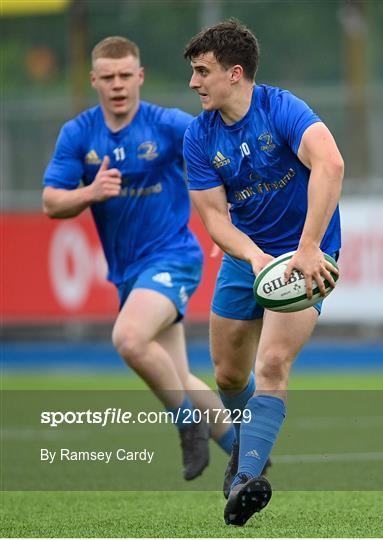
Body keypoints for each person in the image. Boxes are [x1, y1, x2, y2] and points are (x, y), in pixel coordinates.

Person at [42, 36, 236, 482]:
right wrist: (90, 193)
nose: (118, 85)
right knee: (179, 377)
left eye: (126, 75)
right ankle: (248, 456)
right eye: (108, 77)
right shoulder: (78, 134)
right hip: (129, 273)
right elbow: (52, 202)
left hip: (174, 256)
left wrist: (224, 222)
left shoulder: (167, 124)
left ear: (140, 77)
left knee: (129, 339)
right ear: (94, 81)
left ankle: (187, 424)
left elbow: (216, 158)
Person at [183, 19, 343, 525]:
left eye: (202, 71)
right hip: (246, 255)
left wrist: (309, 246)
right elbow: (212, 217)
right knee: (229, 374)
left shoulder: (281, 108)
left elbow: (331, 164)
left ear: (235, 73)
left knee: (272, 363)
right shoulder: (199, 135)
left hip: (306, 257)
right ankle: (251, 444)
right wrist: (252, 257)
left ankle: (247, 477)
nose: (194, 83)